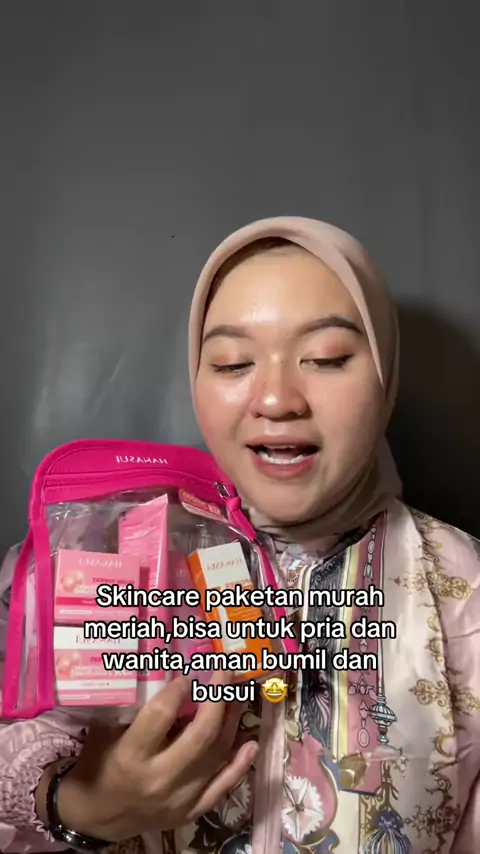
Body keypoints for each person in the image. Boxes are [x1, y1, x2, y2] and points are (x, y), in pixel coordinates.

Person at [1, 216, 479, 854]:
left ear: (385, 373)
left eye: (326, 358)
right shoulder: (92, 550)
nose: (277, 399)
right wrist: (79, 806)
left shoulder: (463, 589)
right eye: (232, 362)